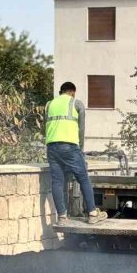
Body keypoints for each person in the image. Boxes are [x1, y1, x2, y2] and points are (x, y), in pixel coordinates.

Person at [44, 82, 107, 224]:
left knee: (57, 182)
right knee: (83, 178)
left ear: (61, 92)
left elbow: (45, 127)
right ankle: (92, 213)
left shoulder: (49, 105)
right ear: (72, 92)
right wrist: (81, 150)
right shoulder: (76, 103)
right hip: (70, 147)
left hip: (52, 147)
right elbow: (81, 129)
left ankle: (61, 217)